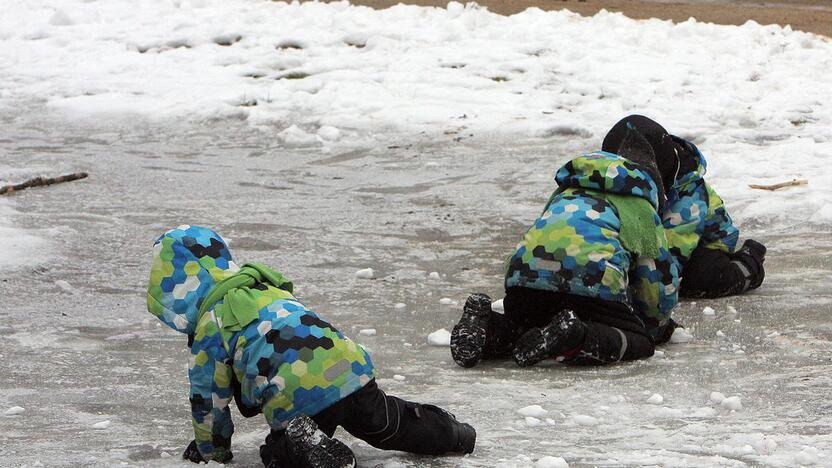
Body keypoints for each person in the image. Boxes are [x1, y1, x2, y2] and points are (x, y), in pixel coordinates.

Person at [147, 225, 475, 467]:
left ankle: (305, 442)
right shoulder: (268, 288)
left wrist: (211, 452)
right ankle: (455, 434)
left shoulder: (210, 327)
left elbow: (208, 400)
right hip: (349, 369)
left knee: (276, 454)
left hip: (296, 395)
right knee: (391, 422)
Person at [451, 127, 680, 368]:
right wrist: (656, 326)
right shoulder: (640, 208)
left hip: (525, 277)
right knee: (640, 342)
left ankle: (488, 330)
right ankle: (576, 338)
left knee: (526, 327)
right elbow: (655, 286)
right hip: (589, 278)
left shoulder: (565, 192)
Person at [601, 115, 766, 299]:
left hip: (704, 244)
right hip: (649, 234)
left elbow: (670, 257)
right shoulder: (617, 181)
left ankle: (749, 262)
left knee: (699, 280)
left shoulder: (688, 196)